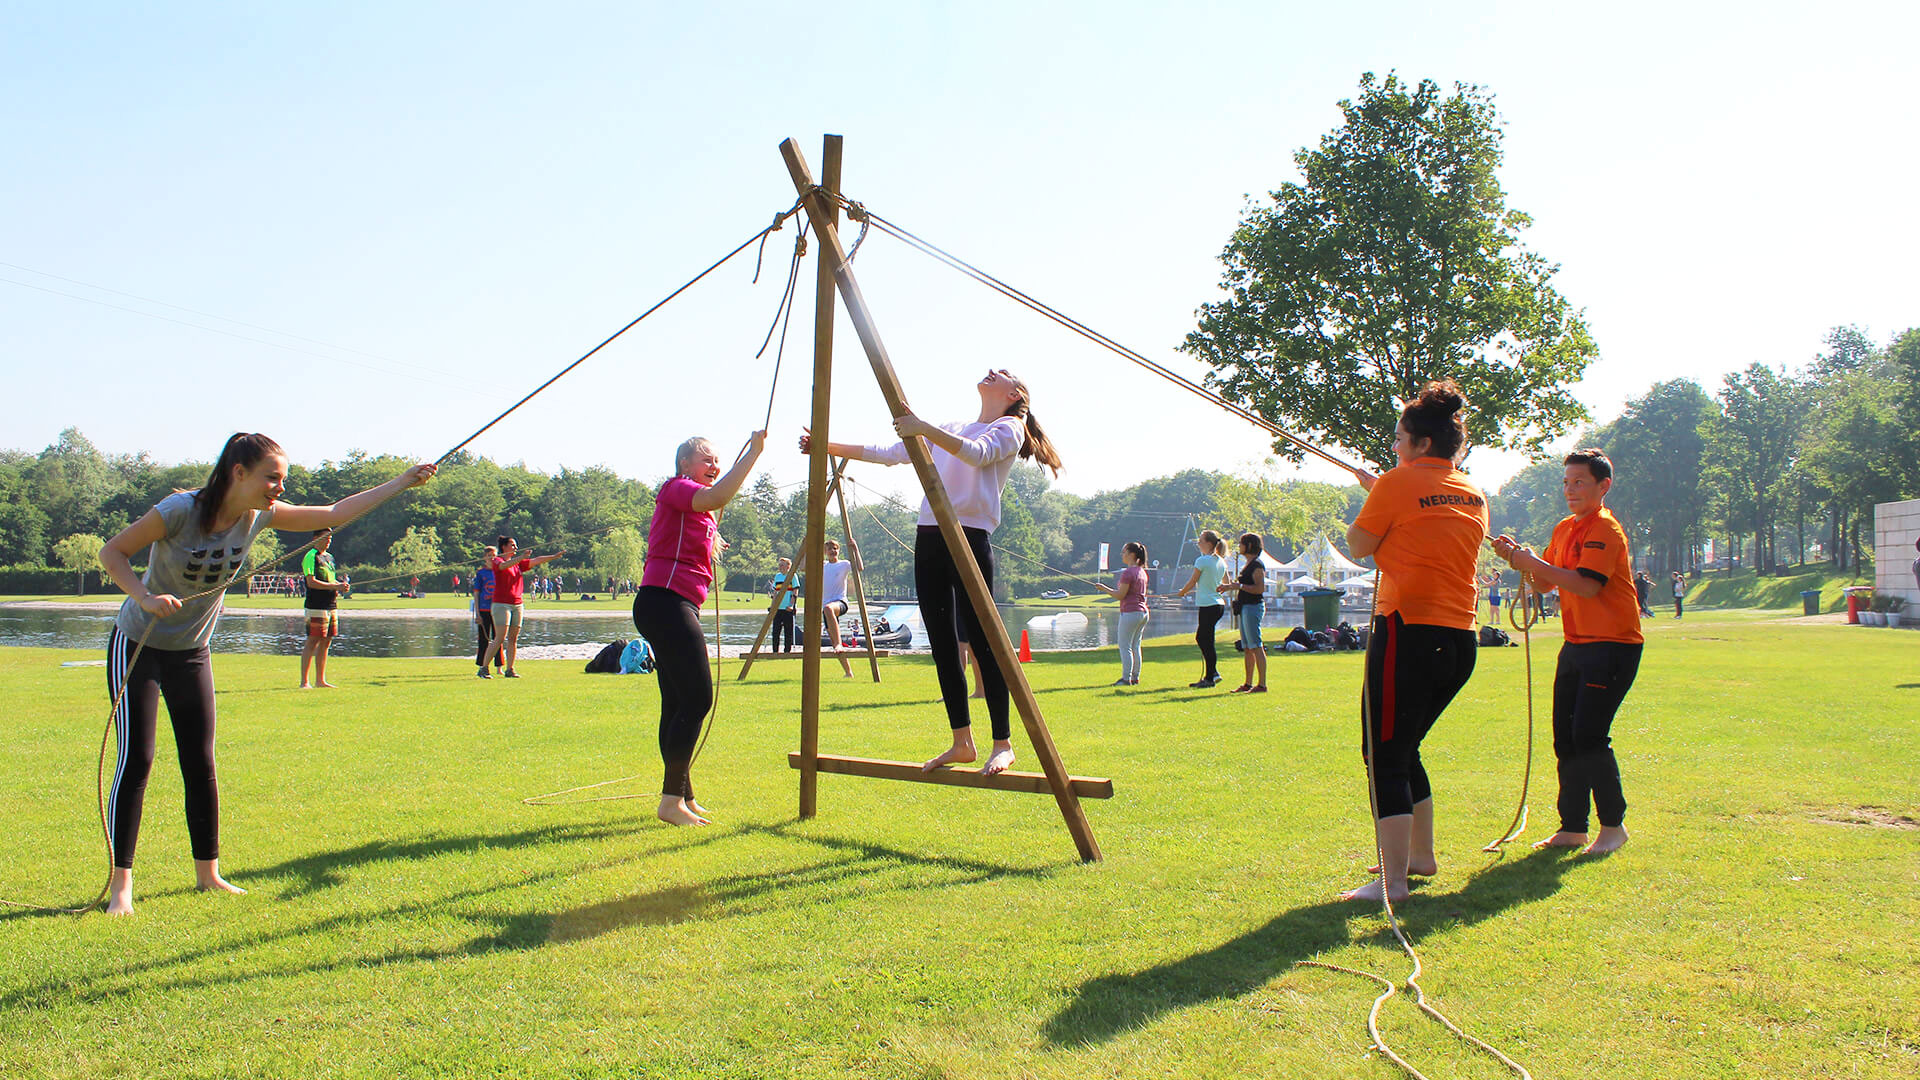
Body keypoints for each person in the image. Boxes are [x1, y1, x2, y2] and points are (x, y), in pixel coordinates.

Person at [97, 432, 435, 915]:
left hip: (192, 649)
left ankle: (208, 874)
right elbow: (112, 553)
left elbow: (336, 513)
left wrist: (401, 483)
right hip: (138, 646)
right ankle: (121, 887)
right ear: (239, 473)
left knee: (200, 761)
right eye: (272, 477)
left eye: (283, 479)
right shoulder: (179, 510)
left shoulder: (258, 516)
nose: (279, 487)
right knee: (139, 760)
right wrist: (145, 597)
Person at [801, 367, 1061, 776]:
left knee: (983, 641)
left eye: (1004, 373)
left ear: (1015, 393)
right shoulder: (955, 425)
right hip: (930, 537)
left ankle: (1002, 743)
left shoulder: (1013, 425)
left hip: (970, 538)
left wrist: (922, 427)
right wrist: (824, 446)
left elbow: (975, 454)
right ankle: (962, 741)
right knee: (942, 643)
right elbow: (889, 453)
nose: (992, 371)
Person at [1342, 381, 1487, 903]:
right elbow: (1426, 531)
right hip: (1459, 639)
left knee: (1382, 754)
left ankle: (1394, 881)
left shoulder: (1396, 483)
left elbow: (1361, 546)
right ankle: (1420, 858)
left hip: (1407, 631)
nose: (1396, 447)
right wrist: (1385, 490)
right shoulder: (1472, 491)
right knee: (1405, 748)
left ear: (1423, 444)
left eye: (1400, 439)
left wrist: (1383, 490)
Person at [1494, 447, 1641, 856]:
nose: (1570, 490)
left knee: (1589, 736)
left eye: (1579, 482)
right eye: (1566, 482)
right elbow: (1545, 584)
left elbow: (1586, 584)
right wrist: (1520, 560)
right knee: (1566, 737)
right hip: (1576, 644)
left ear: (1602, 486)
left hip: (1612, 646)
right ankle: (1573, 826)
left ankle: (1613, 826)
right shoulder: (1564, 529)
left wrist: (1532, 563)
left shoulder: (1605, 530)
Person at [634, 430, 767, 826]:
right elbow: (716, 497)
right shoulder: (675, 487)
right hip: (665, 602)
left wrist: (712, 535)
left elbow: (709, 510)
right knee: (697, 700)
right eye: (705, 459)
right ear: (684, 465)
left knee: (677, 704)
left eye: (716, 461)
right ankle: (670, 801)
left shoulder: (697, 510)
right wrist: (754, 454)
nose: (714, 465)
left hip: (670, 604)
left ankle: (682, 795)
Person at [480, 536, 563, 677]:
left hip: (517, 604)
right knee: (500, 637)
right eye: (512, 545)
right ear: (504, 547)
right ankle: (484, 668)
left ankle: (510, 669)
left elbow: (537, 560)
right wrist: (520, 557)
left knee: (513, 638)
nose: (515, 548)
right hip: (501, 604)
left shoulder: (518, 564)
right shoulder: (497, 560)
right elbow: (503, 566)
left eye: (515, 545)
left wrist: (554, 557)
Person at [1173, 530, 1229, 688]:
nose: (1198, 544)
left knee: (1204, 639)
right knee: (1206, 639)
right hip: (1218, 605)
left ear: (1209, 544)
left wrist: (1182, 592)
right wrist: (1209, 586)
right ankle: (1211, 674)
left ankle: (1211, 677)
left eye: (1201, 541)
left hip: (1208, 605)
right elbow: (1226, 583)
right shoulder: (1221, 561)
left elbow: (1192, 581)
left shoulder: (1202, 561)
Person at [1096, 541, 1150, 686]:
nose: (1122, 555)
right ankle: (1135, 677)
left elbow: (1120, 595)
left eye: (1124, 552)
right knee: (1135, 646)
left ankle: (1126, 679)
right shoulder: (1142, 572)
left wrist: (1104, 589)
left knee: (1125, 646)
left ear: (1131, 554)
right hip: (1143, 612)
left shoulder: (1128, 573)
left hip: (1131, 612)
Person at [298, 528, 343, 688]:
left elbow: (330, 578)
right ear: (316, 538)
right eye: (325, 537)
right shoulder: (311, 556)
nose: (328, 541)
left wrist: (339, 586)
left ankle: (320, 680)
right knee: (313, 640)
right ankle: (304, 682)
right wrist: (335, 585)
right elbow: (311, 582)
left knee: (326, 641)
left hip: (331, 605)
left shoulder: (329, 558)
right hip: (316, 605)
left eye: (330, 538)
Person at [1222, 533, 1267, 693]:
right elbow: (1242, 585)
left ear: (1248, 546)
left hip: (1253, 607)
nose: (1239, 546)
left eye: (1241, 543)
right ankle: (1248, 683)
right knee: (1247, 647)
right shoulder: (1248, 564)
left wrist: (1239, 587)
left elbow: (1260, 588)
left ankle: (1261, 684)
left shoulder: (1257, 565)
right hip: (1245, 607)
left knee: (1256, 645)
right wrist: (1229, 587)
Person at [817, 538, 857, 677]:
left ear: (838, 550)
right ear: (825, 552)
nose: (833, 551)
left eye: (835, 548)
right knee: (835, 644)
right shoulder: (822, 565)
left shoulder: (844, 564)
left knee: (828, 608)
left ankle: (839, 644)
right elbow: (803, 567)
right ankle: (848, 672)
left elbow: (860, 567)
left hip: (840, 602)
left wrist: (855, 549)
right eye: (829, 549)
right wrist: (805, 548)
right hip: (827, 608)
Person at [472, 547, 503, 676]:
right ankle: (482, 666)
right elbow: (476, 594)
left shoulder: (500, 571)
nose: (491, 558)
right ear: (484, 557)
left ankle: (499, 667)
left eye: (494, 555)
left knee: (498, 638)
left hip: (498, 609)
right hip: (484, 609)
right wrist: (477, 613)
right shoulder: (481, 573)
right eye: (489, 555)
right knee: (484, 639)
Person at [769, 557, 799, 653]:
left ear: (788, 566)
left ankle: (787, 651)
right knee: (776, 631)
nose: (780, 567)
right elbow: (775, 593)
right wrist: (772, 605)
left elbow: (795, 591)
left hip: (787, 608)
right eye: (779, 565)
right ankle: (775, 651)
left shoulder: (792, 576)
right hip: (778, 608)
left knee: (788, 631)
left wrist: (791, 605)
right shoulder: (777, 576)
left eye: (782, 565)